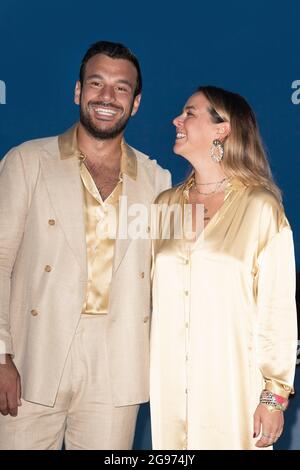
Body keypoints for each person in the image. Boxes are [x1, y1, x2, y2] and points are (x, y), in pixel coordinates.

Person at [0, 40, 171, 450]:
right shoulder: (28, 162)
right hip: (32, 355)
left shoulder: (157, 180)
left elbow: (174, 276)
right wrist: (0, 354)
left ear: (136, 102)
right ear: (78, 92)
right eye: (97, 84)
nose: (107, 97)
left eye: (121, 88)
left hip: (118, 364)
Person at [150, 86, 297, 450]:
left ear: (222, 129)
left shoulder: (261, 208)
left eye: (190, 113)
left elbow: (277, 310)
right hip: (169, 389)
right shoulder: (163, 206)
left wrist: (273, 397)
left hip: (234, 390)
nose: (176, 120)